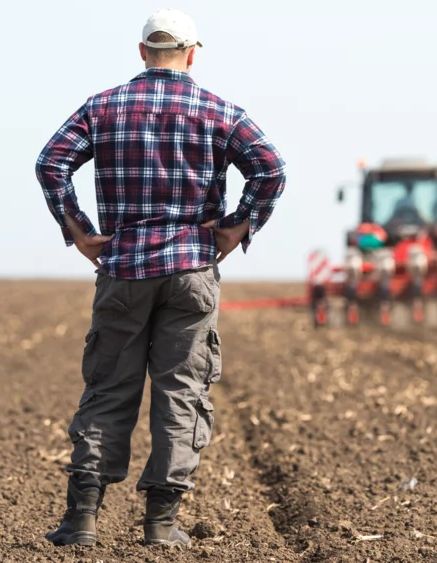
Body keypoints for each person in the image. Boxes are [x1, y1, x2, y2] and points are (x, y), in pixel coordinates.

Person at [33, 8, 286, 548]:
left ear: (142, 51)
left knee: (108, 389)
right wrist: (238, 226)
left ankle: (81, 521)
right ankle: (161, 525)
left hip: (123, 268)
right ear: (193, 53)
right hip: (192, 271)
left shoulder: (102, 107)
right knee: (182, 393)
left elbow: (50, 162)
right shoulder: (220, 111)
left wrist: (77, 229)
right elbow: (271, 169)